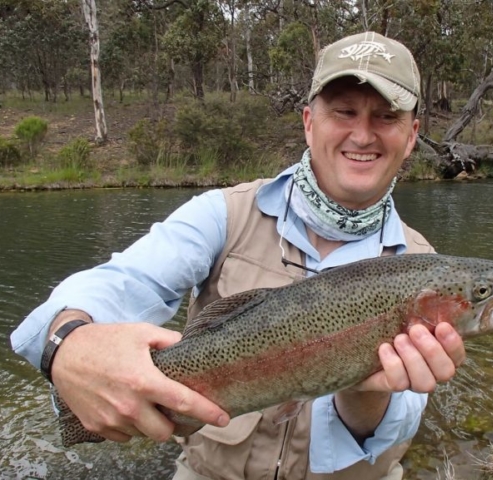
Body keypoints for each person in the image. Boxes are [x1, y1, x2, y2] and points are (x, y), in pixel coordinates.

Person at [11, 31, 466, 479]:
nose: (363, 135)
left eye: (386, 117)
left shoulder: (424, 268)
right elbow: (124, 280)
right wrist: (67, 342)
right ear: (309, 122)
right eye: (344, 111)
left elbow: (390, 435)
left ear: (411, 136)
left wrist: (365, 389)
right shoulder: (224, 214)